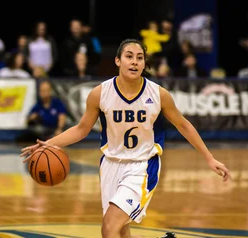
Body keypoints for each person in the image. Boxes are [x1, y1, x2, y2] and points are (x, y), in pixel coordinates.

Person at [20, 39, 231, 238]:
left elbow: (184, 125)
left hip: (142, 167)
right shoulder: (100, 93)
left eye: (140, 57)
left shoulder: (158, 94)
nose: (135, 61)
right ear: (118, 61)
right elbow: (82, 129)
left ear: (144, 63)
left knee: (109, 227)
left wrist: (209, 158)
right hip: (110, 165)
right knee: (120, 231)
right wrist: (49, 144)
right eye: (129, 56)